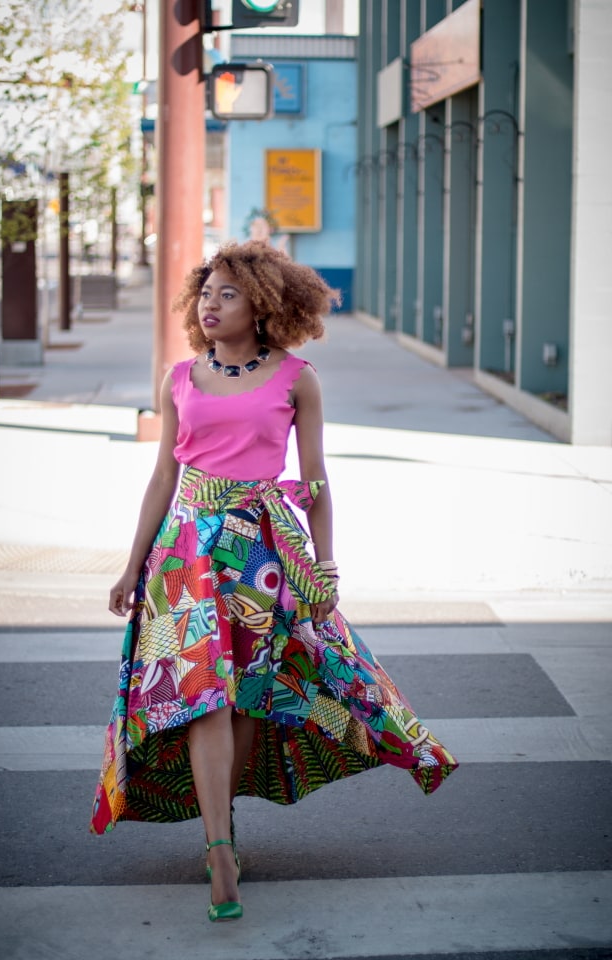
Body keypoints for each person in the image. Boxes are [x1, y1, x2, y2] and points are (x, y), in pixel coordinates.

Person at [90, 241, 458, 923]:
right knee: (200, 694)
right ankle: (220, 847)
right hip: (187, 557)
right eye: (205, 291)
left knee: (248, 699)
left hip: (262, 551)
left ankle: (220, 817)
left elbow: (316, 482)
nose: (210, 303)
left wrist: (325, 565)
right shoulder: (178, 378)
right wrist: (132, 564)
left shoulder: (297, 378)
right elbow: (164, 477)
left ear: (262, 305)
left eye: (227, 293)